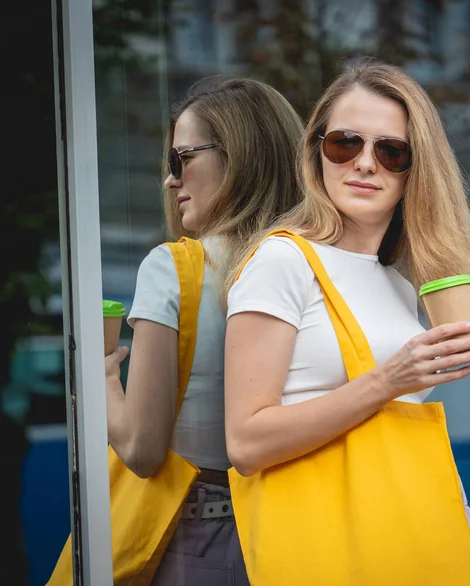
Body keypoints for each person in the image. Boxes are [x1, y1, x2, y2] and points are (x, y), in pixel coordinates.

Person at [224, 59, 470, 585]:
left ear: (415, 169)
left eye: (390, 151)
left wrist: (465, 527)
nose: (364, 163)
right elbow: (245, 443)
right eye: (345, 143)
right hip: (326, 551)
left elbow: (386, 439)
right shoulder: (283, 260)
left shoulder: (400, 282)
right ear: (316, 153)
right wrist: (387, 380)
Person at [104, 75, 304, 585]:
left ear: (236, 159)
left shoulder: (173, 268)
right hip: (293, 534)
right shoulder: (312, 265)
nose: (170, 181)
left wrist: (100, 381)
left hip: (195, 539)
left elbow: (144, 452)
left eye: (181, 159)